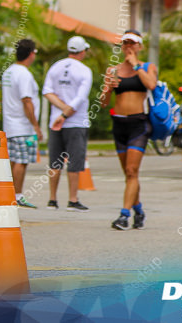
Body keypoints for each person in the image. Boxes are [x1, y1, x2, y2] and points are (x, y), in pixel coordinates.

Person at [99, 30, 157, 230]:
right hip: (119, 124)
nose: (128, 47)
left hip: (139, 124)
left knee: (132, 171)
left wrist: (135, 65)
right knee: (128, 174)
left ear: (140, 47)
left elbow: (151, 84)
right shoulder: (113, 70)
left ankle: (124, 216)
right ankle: (139, 210)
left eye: (133, 43)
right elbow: (104, 103)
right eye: (125, 43)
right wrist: (107, 88)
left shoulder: (148, 67)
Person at [42, 36, 94, 212]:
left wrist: (60, 112)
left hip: (55, 122)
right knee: (75, 161)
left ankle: (52, 200)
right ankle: (72, 200)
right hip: (76, 122)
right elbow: (81, 97)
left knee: (55, 162)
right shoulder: (84, 70)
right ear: (82, 51)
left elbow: (47, 91)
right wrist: (66, 113)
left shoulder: (55, 67)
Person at [1, 38, 42, 209]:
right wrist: (35, 125)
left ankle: (9, 193)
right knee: (21, 161)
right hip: (22, 126)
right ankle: (17, 195)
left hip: (10, 124)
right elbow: (27, 100)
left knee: (13, 160)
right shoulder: (24, 73)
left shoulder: (9, 71)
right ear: (31, 54)